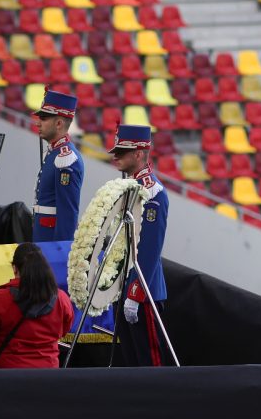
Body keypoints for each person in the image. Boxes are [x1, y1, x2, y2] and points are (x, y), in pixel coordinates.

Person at [110, 124, 173, 367]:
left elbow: (149, 247)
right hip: (123, 285)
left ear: (138, 154)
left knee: (149, 362)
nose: (116, 156)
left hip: (142, 290)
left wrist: (136, 292)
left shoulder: (152, 192)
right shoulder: (128, 186)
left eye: (122, 151)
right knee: (132, 360)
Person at [0, 243, 74, 369]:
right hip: (48, 373)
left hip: (6, 373)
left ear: (15, 268)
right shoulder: (61, 298)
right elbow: (64, 330)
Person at [31, 88, 84, 242]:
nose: (37, 123)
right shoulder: (55, 153)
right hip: (42, 238)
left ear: (59, 123)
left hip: (51, 242)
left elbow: (67, 214)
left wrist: (60, 250)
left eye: (43, 118)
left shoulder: (66, 159)